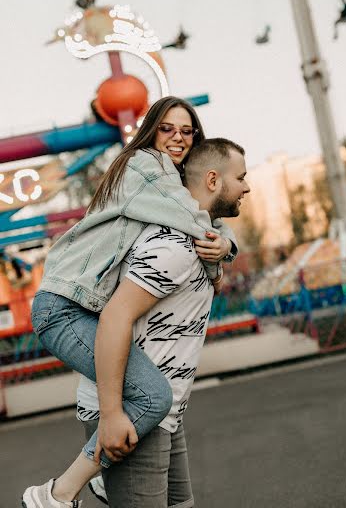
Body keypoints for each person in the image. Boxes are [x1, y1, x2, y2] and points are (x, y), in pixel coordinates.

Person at [22, 97, 237, 508]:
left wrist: (225, 243)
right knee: (153, 396)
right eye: (167, 128)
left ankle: (96, 480)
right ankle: (57, 493)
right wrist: (221, 254)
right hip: (64, 306)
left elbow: (200, 215)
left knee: (155, 399)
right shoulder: (144, 165)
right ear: (151, 130)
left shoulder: (171, 187)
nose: (177, 137)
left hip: (83, 306)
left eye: (186, 131)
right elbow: (198, 219)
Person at [78, 137, 250, 508]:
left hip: (166, 410)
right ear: (212, 179)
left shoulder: (203, 239)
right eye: (241, 177)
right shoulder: (174, 243)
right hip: (135, 409)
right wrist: (110, 414)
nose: (247, 186)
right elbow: (114, 317)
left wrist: (224, 249)